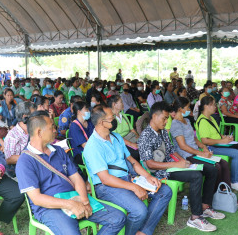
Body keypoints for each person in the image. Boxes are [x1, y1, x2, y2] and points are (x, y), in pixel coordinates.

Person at [16, 111, 126, 235]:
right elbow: (37, 199)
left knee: (118, 218)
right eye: (52, 126)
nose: (55, 130)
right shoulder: (25, 161)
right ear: (39, 132)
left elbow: (76, 178)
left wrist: (84, 201)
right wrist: (70, 205)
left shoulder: (59, 151)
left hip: (74, 197)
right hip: (50, 208)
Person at [83, 105, 172, 235]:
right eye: (112, 118)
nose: (114, 120)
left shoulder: (117, 137)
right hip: (106, 187)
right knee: (139, 211)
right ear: (102, 123)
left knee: (164, 191)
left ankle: (143, 231)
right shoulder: (93, 146)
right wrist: (134, 187)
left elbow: (132, 161)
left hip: (127, 179)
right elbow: (105, 179)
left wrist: (148, 176)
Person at [138, 101, 225, 232]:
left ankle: (205, 206)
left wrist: (184, 162)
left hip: (172, 166)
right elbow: (149, 163)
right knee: (196, 176)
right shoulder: (145, 136)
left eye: (167, 118)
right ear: (154, 116)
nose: (166, 121)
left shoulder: (162, 132)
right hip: (161, 172)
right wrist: (176, 164)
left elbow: (172, 151)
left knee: (211, 169)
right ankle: (195, 217)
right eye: (165, 118)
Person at [171, 97, 231, 189]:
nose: (189, 110)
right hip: (187, 156)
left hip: (195, 153)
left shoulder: (186, 120)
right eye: (187, 107)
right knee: (216, 167)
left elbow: (193, 137)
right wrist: (202, 153)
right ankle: (215, 194)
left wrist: (203, 147)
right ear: (180, 109)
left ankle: (225, 191)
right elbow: (182, 146)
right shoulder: (176, 124)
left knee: (224, 163)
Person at [197, 96, 238, 192]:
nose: (216, 107)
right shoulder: (202, 120)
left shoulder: (211, 118)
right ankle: (234, 181)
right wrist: (221, 141)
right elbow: (204, 141)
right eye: (214, 105)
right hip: (211, 147)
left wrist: (225, 137)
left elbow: (217, 134)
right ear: (206, 106)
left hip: (219, 144)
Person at [4, 101, 33, 178]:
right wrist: (32, 157)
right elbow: (9, 159)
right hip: (20, 171)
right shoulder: (12, 136)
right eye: (34, 114)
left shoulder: (34, 129)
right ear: (25, 117)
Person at [108, 95, 140, 161]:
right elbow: (116, 137)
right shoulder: (111, 119)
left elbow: (132, 129)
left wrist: (138, 137)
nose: (123, 104)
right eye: (121, 102)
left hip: (130, 138)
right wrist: (132, 144)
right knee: (137, 153)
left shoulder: (123, 115)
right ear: (114, 104)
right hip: (121, 143)